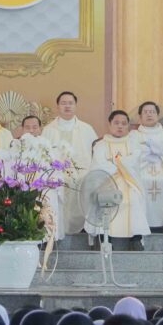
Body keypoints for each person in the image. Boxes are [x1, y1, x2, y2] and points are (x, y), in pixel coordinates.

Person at [88, 110, 150, 250]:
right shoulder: (101, 144)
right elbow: (99, 163)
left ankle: (136, 239)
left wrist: (116, 162)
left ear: (128, 126)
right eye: (116, 123)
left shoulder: (134, 143)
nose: (120, 126)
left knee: (134, 199)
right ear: (109, 125)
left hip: (130, 182)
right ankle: (105, 239)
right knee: (104, 201)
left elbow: (135, 160)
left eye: (124, 123)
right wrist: (120, 164)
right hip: (107, 181)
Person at [42, 91, 98, 236]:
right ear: (57, 106)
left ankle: (85, 228)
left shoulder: (86, 129)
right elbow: (43, 155)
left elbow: (94, 153)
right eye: (63, 103)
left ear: (75, 106)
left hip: (81, 173)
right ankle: (56, 227)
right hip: (56, 173)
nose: (67, 106)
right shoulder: (48, 130)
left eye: (70, 103)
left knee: (87, 180)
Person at [131, 101, 163, 231]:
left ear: (157, 115)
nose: (149, 114)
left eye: (152, 112)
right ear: (140, 117)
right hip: (142, 167)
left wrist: (150, 146)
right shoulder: (134, 134)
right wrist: (155, 149)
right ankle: (140, 223)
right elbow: (135, 152)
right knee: (138, 182)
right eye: (145, 112)